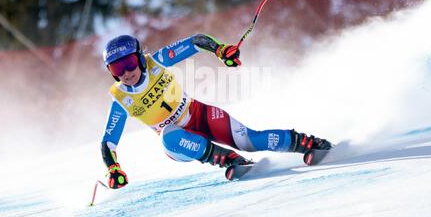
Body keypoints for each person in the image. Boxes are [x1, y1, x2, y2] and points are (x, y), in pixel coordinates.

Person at [101, 34, 332, 189]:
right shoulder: (122, 100)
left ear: (140, 58)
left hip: (199, 115)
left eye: (129, 63)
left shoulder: (157, 62)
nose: (125, 72)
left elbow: (195, 41)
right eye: (116, 68)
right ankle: (228, 160)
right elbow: (108, 143)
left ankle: (308, 143)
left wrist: (220, 51)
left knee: (249, 140)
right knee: (169, 135)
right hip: (179, 143)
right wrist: (113, 169)